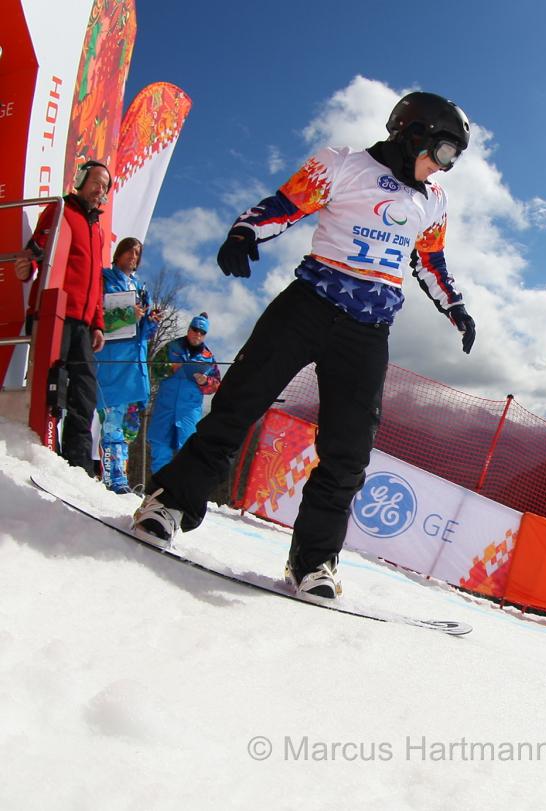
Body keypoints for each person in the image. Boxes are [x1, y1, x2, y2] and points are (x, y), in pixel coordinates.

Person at [132, 91, 476, 602]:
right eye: (443, 153)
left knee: (348, 452)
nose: (443, 168)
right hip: (309, 304)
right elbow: (285, 206)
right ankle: (169, 504)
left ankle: (312, 560)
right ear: (414, 134)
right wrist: (246, 232)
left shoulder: (433, 199)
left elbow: (429, 262)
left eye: (452, 161)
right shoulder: (342, 165)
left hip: (367, 330)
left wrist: (455, 307)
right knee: (237, 404)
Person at [14, 160, 111, 471]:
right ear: (81, 181)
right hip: (55, 315)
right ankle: (40, 454)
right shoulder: (61, 210)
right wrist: (28, 264)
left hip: (84, 324)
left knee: (84, 394)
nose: (100, 190)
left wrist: (98, 323)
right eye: (96, 182)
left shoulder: (97, 228)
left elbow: (96, 279)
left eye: (105, 186)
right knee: (52, 387)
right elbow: (38, 247)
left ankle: (77, 466)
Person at [95, 237, 160, 493]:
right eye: (129, 252)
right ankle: (114, 479)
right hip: (113, 360)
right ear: (118, 253)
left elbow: (142, 332)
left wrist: (150, 321)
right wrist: (126, 315)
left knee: (129, 429)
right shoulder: (104, 279)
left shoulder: (141, 287)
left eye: (137, 253)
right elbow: (97, 316)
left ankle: (120, 473)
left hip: (136, 364)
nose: (133, 257)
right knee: (111, 421)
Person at [146, 313, 221, 474]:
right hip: (165, 405)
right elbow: (154, 368)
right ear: (189, 329)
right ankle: (158, 486)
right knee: (160, 444)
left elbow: (216, 385)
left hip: (189, 409)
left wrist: (205, 382)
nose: (198, 334)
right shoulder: (171, 347)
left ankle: (179, 491)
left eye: (202, 332)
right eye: (195, 330)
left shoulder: (208, 357)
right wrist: (171, 368)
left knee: (187, 449)